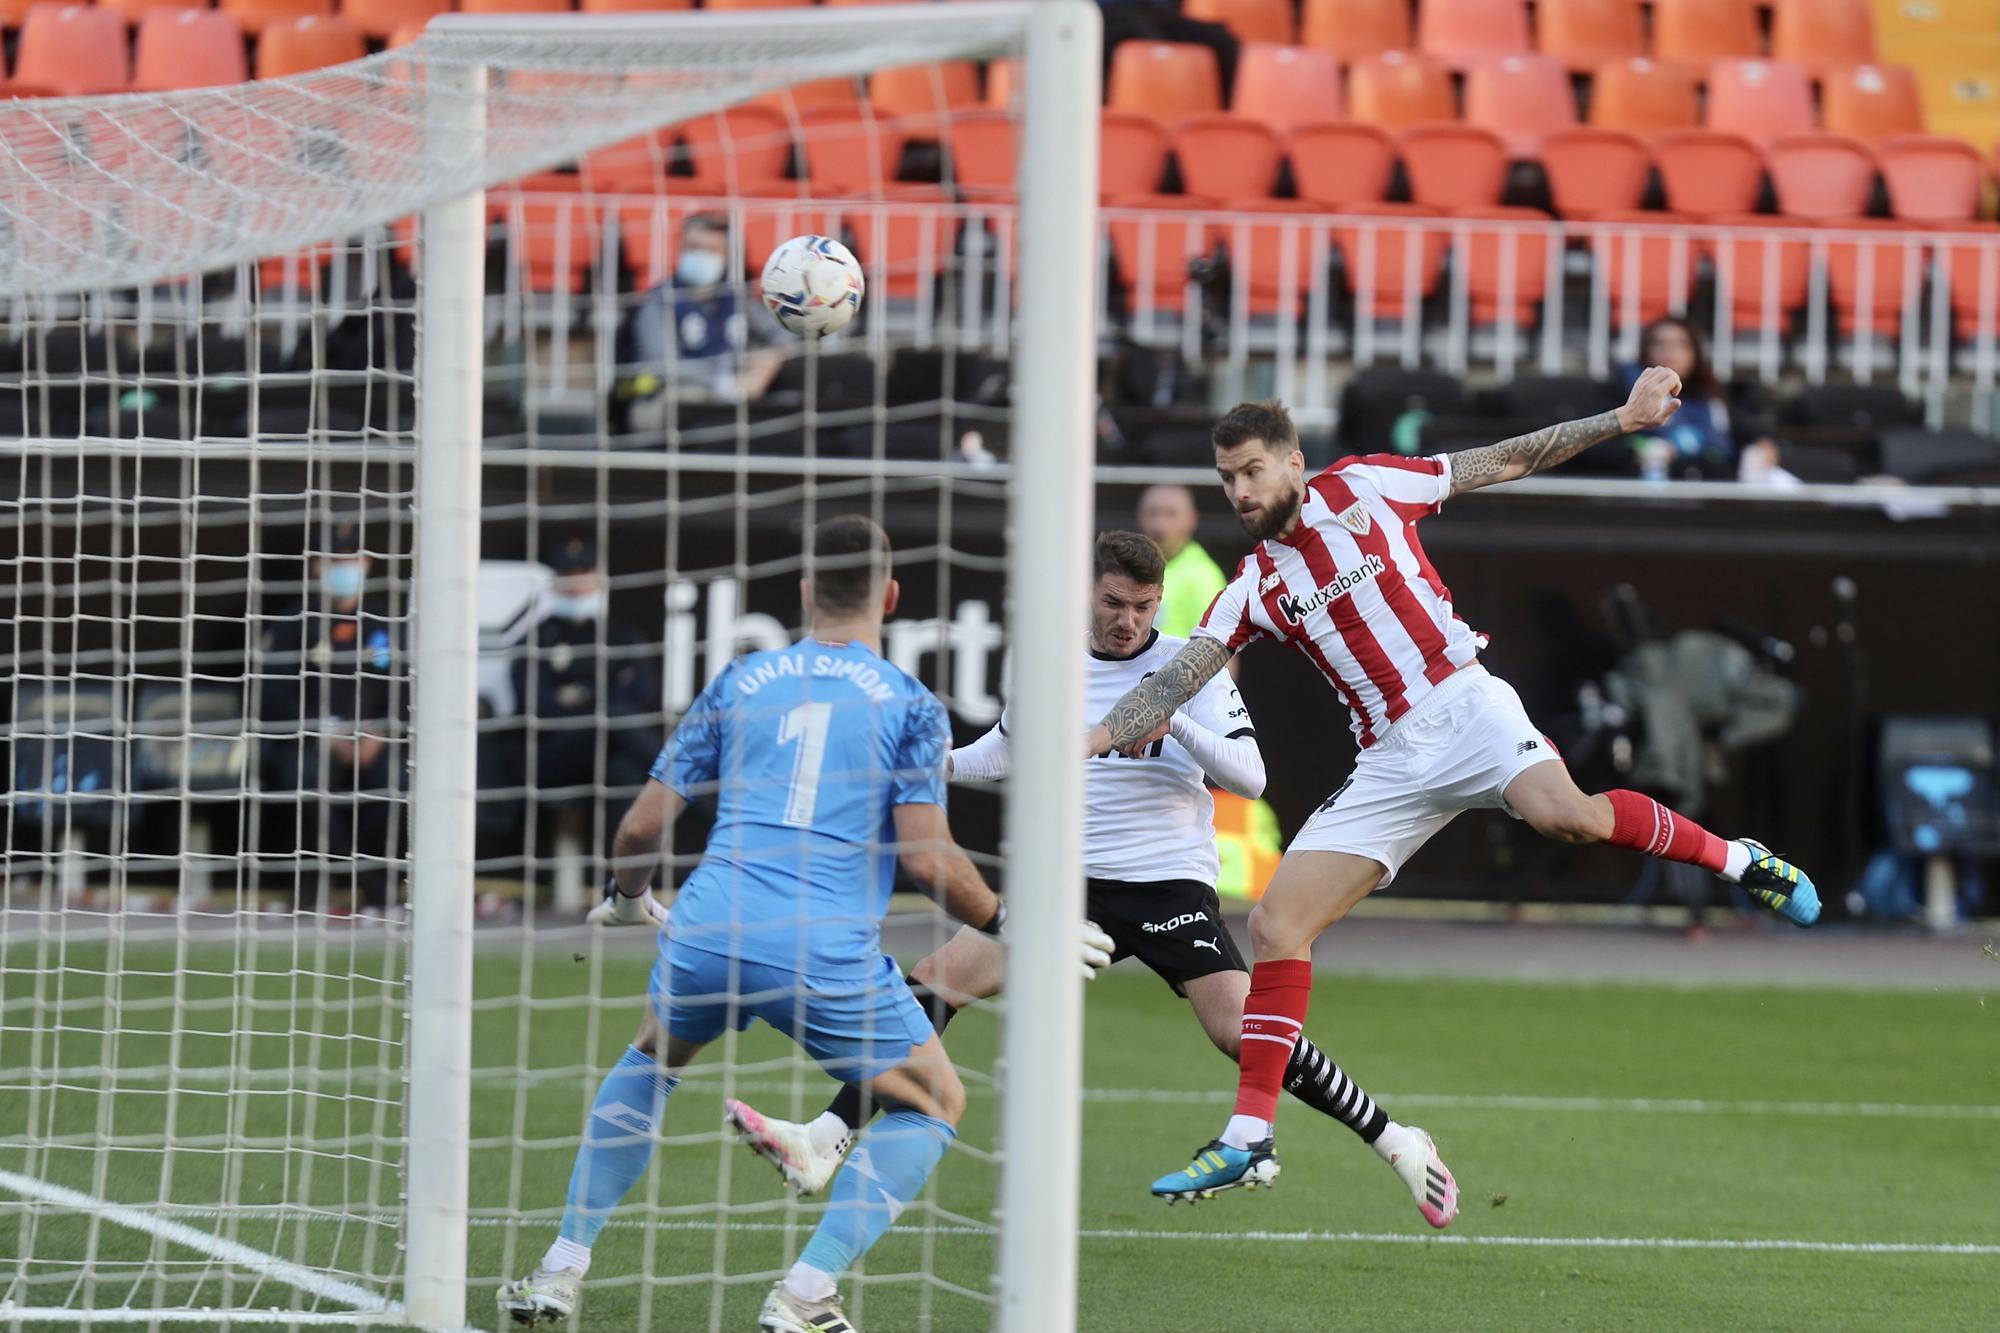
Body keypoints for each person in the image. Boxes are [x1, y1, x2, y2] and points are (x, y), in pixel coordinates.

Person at [1080, 378, 1823, 1203]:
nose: (1240, 492)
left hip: (1463, 705)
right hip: (1390, 762)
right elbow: (1176, 679)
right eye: (1227, 479)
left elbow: (1502, 459)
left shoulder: (1366, 484)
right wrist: (1087, 739)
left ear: (1294, 461)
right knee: (1276, 921)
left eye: (1252, 471)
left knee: (1568, 816)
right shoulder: (1255, 583)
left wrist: (1623, 418)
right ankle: (1251, 1135)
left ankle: (1736, 858)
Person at [719, 532, 1464, 1227]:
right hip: (1071, 886)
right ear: (1087, 593)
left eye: (1143, 606)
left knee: (1241, 1032)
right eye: (1114, 603)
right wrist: (928, 766)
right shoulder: (1050, 666)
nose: (1127, 620)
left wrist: (1172, 720)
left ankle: (1397, 1139)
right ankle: (824, 1137)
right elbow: (1002, 754)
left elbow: (1254, 776)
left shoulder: (1188, 664)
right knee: (936, 979)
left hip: (1167, 885)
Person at [498, 516, 1006, 1333]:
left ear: (804, 593)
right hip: (822, 950)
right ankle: (805, 1291)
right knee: (934, 1101)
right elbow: (927, 857)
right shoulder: (911, 703)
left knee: (654, 1054)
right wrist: (1008, 919)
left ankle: (560, 1268)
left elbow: (638, 829)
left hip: (707, 929)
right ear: (890, 596)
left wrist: (629, 895)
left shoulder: (741, 678)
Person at [256, 519, 402, 912]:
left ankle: (380, 887)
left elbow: (400, 689)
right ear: (315, 567)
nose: (344, 567)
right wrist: (326, 732)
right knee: (303, 779)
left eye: (350, 558)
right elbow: (273, 696)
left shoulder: (384, 623)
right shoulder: (292, 625)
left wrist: (378, 734)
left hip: (372, 741)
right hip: (309, 741)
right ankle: (313, 886)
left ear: (367, 564)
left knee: (393, 781)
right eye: (334, 559)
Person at [511, 535, 659, 855]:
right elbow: (540, 711)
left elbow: (643, 696)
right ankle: (684, 783)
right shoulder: (537, 639)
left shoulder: (621, 635)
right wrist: (602, 702)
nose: (577, 582)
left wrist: (583, 698)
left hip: (610, 752)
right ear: (554, 582)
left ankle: (622, 888)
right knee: (617, 717)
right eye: (568, 573)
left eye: (584, 571)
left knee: (625, 773)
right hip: (553, 757)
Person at [619, 211, 784, 421]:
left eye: (711, 250)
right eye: (694, 248)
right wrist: (722, 383)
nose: (702, 256)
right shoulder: (658, 301)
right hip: (665, 399)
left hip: (732, 397)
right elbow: (664, 366)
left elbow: (780, 333)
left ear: (726, 257)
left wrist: (768, 361)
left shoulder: (735, 297)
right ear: (680, 250)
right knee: (695, 404)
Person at [1624, 317, 1786, 483]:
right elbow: (1607, 445)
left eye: (1680, 344)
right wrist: (1640, 452)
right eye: (1659, 343)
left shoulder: (1711, 397)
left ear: (1695, 353)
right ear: (1646, 351)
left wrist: (1764, 445)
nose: (1669, 351)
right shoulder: (1626, 392)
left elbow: (1753, 430)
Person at [1137, 483, 1227, 639]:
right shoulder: (1125, 565)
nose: (1159, 524)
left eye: (1170, 514)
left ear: (1191, 519)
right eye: (1153, 513)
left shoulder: (1203, 576)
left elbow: (1221, 647)